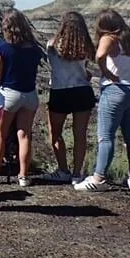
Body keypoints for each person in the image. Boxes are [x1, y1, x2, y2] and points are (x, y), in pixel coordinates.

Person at [74, 9, 130, 192]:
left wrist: (107, 73)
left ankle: (98, 178)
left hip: (115, 90)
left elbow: (100, 56)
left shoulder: (109, 38)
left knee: (106, 136)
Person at [0, 9, 44, 188]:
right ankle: (23, 176)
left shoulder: (3, 48)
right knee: (24, 135)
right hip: (30, 95)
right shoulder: (34, 49)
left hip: (9, 94)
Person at [43, 12, 96, 184]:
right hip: (82, 91)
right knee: (80, 134)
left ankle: (63, 169)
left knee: (56, 133)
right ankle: (77, 174)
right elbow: (85, 69)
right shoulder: (85, 46)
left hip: (60, 91)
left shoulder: (51, 45)